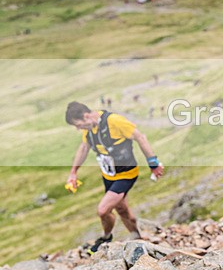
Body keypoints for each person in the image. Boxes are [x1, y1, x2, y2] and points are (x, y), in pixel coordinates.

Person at [65, 101, 165, 253]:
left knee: (103, 210)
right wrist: (73, 172)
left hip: (126, 174)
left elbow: (140, 137)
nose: (78, 129)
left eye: (78, 124)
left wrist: (153, 163)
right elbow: (84, 147)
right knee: (121, 209)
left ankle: (106, 237)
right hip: (109, 175)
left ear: (86, 116)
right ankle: (136, 238)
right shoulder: (90, 128)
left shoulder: (114, 121)